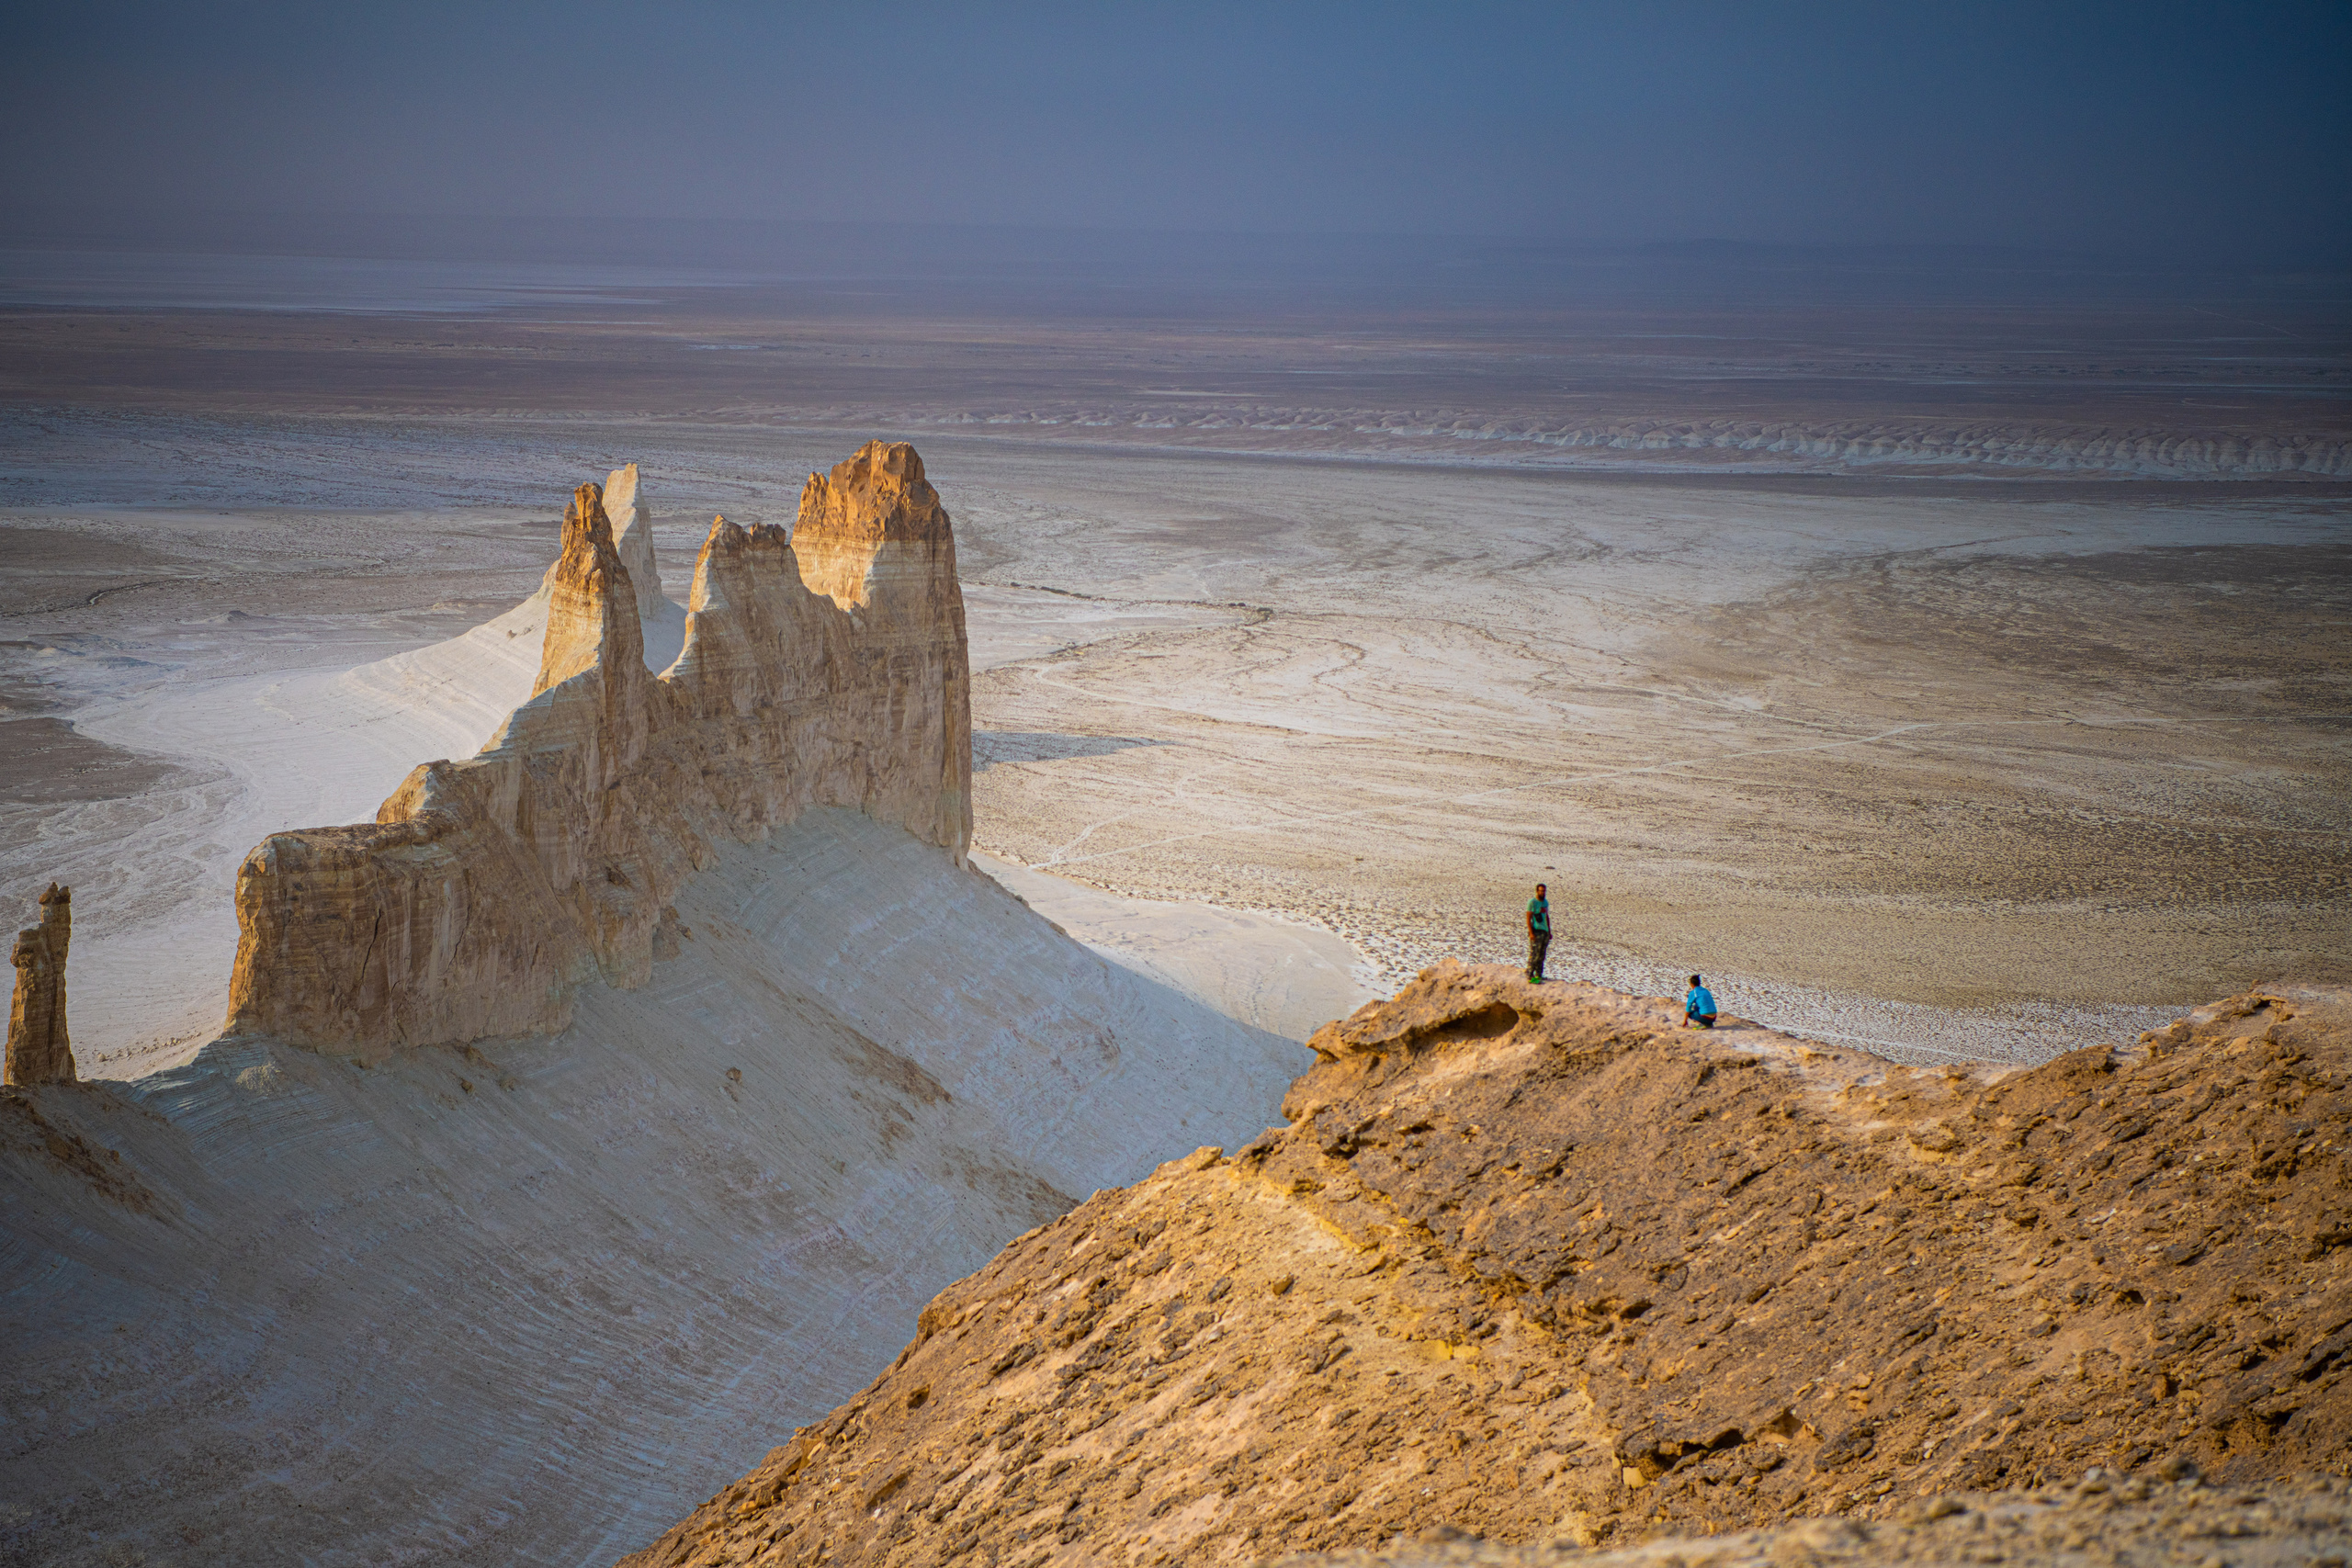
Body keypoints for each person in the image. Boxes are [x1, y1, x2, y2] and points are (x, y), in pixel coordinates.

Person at [1525, 884, 1551, 983]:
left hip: (1544, 932)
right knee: (1534, 954)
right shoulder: (1532, 902)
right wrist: (1531, 933)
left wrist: (1549, 931)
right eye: (1540, 891)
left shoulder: (1545, 902)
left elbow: (1546, 917)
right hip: (1536, 930)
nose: (1542, 893)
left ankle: (1539, 974)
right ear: (1537, 891)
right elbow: (1528, 918)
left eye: (1544, 891)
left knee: (1542, 955)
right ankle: (1530, 974)